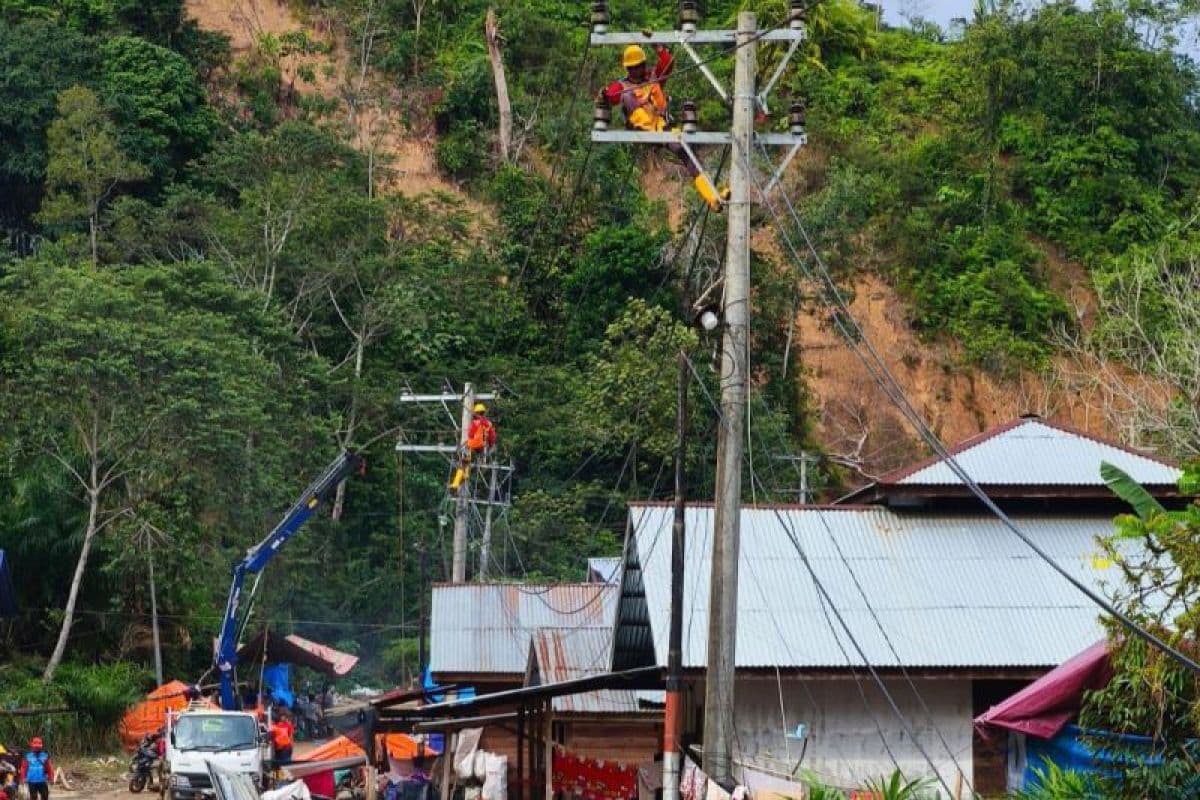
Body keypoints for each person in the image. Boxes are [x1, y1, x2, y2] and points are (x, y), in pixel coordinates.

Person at [599, 44, 727, 212]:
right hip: (641, 129)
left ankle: (713, 197)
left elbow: (668, 62)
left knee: (687, 153)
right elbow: (610, 96)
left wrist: (658, 47)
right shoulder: (622, 87)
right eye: (635, 67)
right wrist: (605, 94)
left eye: (641, 66)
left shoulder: (653, 77)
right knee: (628, 95)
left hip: (662, 127)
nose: (639, 70)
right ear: (628, 69)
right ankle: (712, 196)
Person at [449, 403, 497, 491]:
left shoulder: (475, 423)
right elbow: (492, 438)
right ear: (483, 412)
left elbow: (470, 434)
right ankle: (466, 473)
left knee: (463, 462)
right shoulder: (489, 424)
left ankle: (455, 484)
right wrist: (489, 446)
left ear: (476, 413)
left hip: (472, 446)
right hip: (482, 449)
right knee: (470, 461)